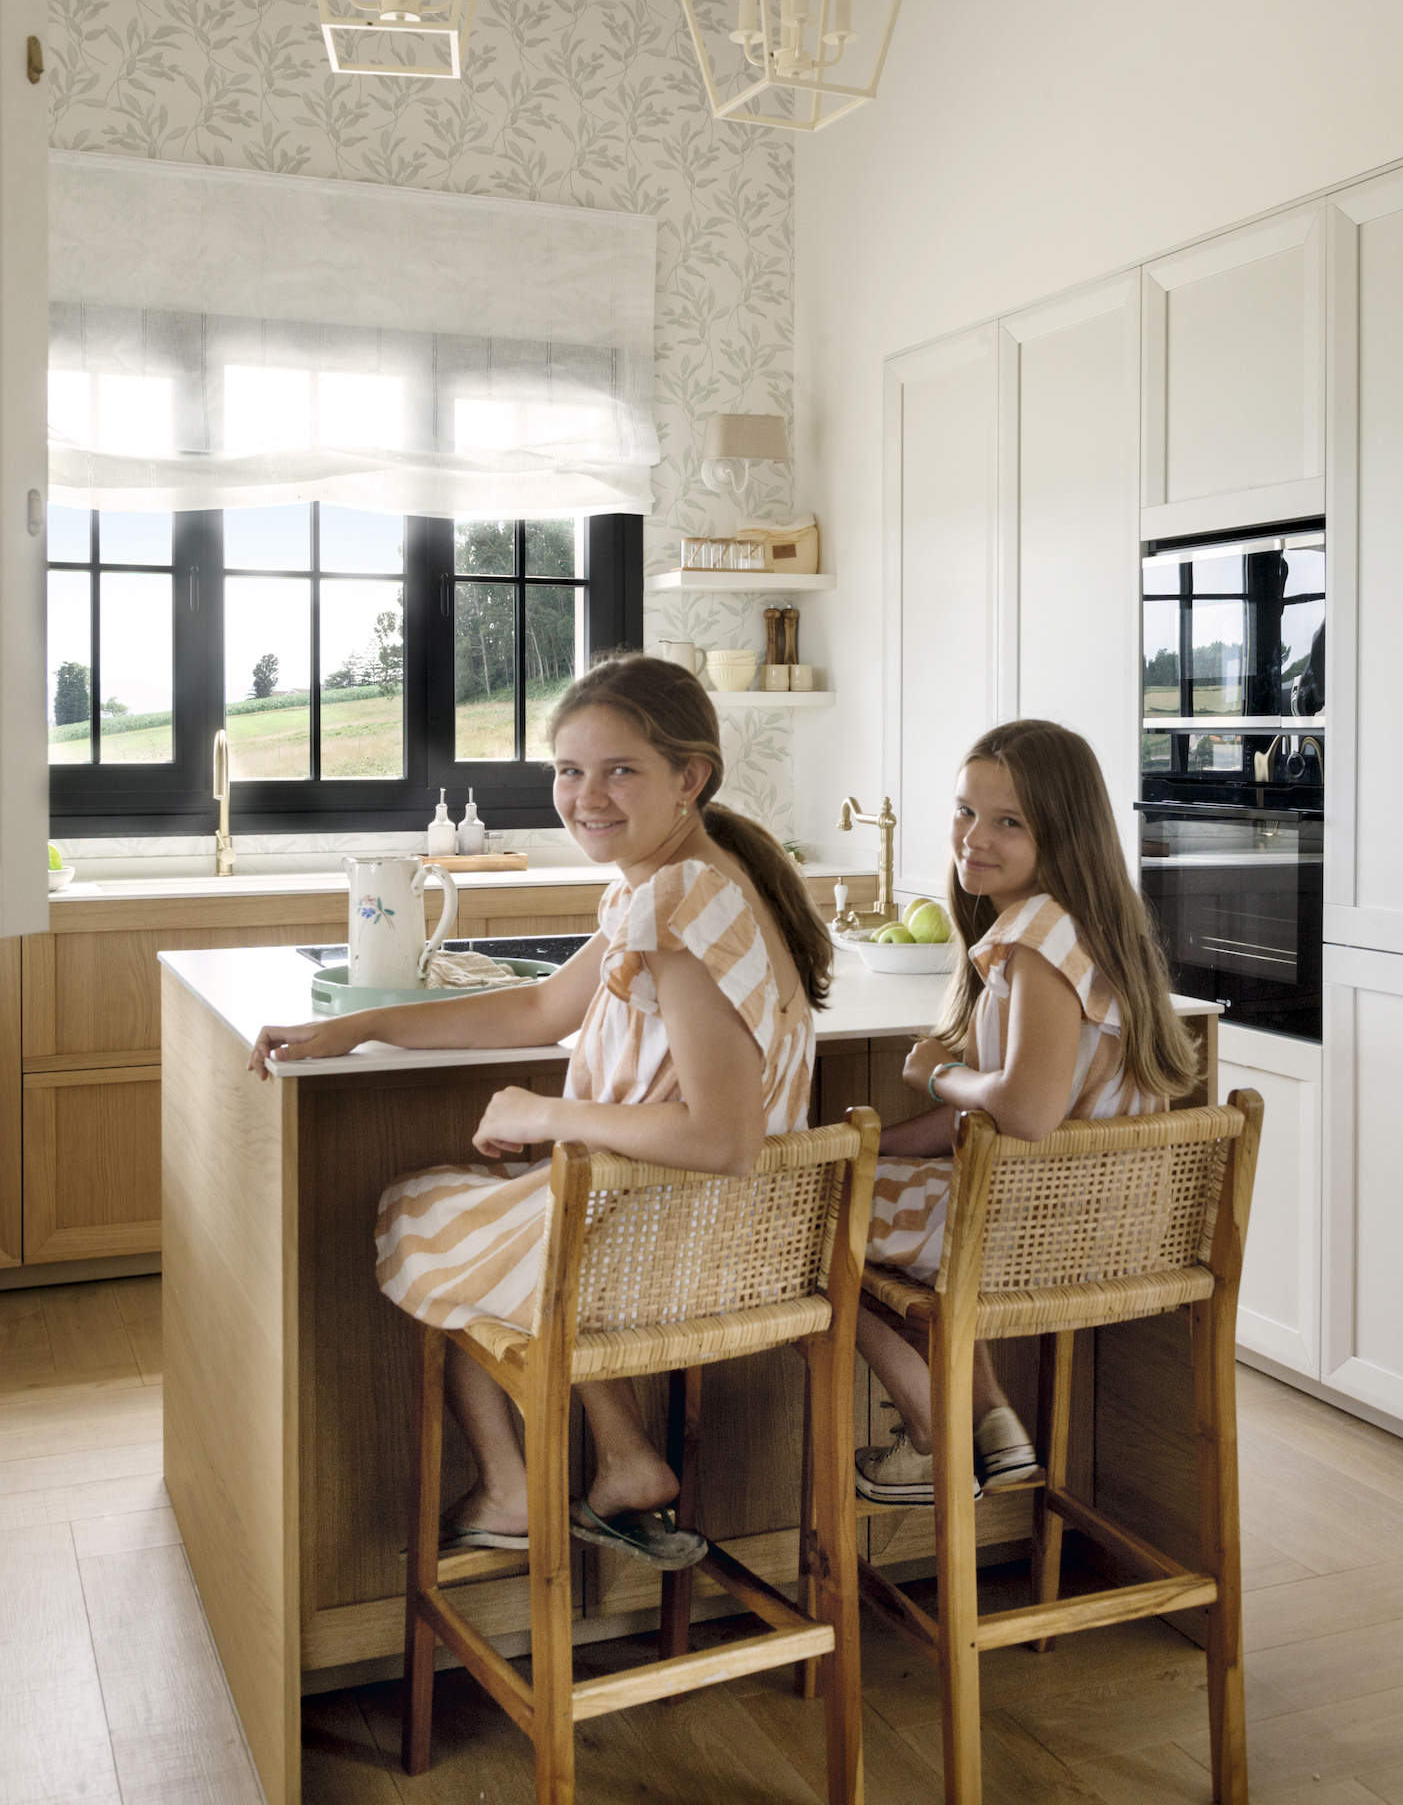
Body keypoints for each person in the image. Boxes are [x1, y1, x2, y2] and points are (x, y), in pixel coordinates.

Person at [249, 654, 832, 1571]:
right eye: (569, 770)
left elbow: (722, 1138)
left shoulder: (677, 906)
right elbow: (535, 1011)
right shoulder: (675, 883)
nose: (586, 795)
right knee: (481, 1213)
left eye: (619, 770)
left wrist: (543, 1113)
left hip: (660, 1241)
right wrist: (358, 1026)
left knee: (417, 1212)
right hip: (713, 1239)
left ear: (690, 777)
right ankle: (625, 1464)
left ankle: (517, 1490)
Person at [856, 718, 1199, 1504]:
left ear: (1063, 832)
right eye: (964, 811)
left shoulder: (1037, 942)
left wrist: (938, 1074)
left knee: (810, 1224)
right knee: (869, 1196)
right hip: (1099, 1224)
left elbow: (1025, 1110)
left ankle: (933, 1433)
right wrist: (872, 1149)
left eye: (1008, 821)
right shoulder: (1090, 929)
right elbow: (997, 1120)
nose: (973, 837)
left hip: (1030, 1233)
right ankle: (991, 1427)